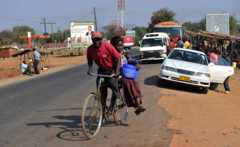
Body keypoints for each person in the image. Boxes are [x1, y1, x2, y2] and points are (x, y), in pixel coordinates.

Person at [110, 36, 146, 115]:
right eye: (118, 45)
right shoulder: (112, 55)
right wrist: (115, 73)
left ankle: (137, 105)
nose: (120, 47)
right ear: (113, 46)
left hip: (124, 74)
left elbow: (130, 60)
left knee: (134, 82)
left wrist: (136, 64)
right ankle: (136, 105)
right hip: (115, 75)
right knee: (128, 83)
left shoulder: (124, 53)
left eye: (121, 45)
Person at [87, 32, 121, 112]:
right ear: (92, 40)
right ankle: (103, 110)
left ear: (101, 39)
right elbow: (89, 59)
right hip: (101, 70)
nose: (96, 42)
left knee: (114, 88)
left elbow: (118, 57)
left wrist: (116, 72)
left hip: (111, 70)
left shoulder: (107, 46)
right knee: (101, 90)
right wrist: (90, 68)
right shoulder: (90, 49)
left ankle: (113, 106)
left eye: (98, 39)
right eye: (94, 40)